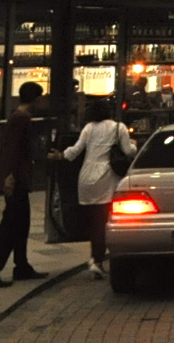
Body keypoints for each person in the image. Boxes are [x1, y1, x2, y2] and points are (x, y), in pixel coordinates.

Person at [0, 82, 49, 288]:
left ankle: (21, 265)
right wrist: (10, 176)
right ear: (35, 99)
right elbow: (14, 150)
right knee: (11, 225)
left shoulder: (17, 117)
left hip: (16, 178)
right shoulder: (21, 119)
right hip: (17, 180)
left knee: (19, 223)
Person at [61, 97, 137, 280]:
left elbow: (75, 150)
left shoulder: (88, 128)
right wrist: (134, 145)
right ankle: (98, 260)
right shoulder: (118, 127)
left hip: (86, 177)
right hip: (106, 177)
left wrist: (61, 155)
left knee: (94, 222)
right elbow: (128, 151)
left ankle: (95, 258)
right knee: (104, 222)